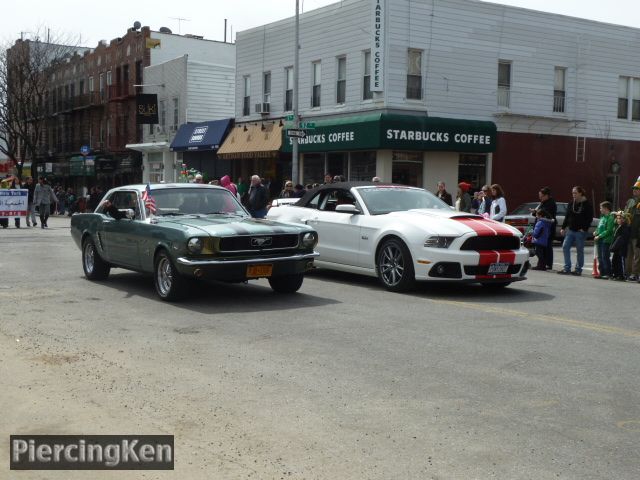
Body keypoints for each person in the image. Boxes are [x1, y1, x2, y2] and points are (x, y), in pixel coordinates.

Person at [558, 186, 594, 276]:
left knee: (579, 250)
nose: (573, 195)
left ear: (580, 193)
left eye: (575, 193)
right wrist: (563, 228)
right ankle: (567, 268)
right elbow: (567, 216)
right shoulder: (571, 204)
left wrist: (584, 228)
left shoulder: (587, 205)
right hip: (570, 230)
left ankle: (578, 269)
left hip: (580, 231)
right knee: (565, 246)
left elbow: (589, 218)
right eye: (572, 193)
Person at [532, 186, 557, 270]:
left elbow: (546, 215)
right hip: (541, 227)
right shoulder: (542, 203)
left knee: (547, 246)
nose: (540, 198)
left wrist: (537, 212)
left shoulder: (551, 203)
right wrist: (534, 212)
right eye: (539, 196)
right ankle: (542, 263)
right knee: (540, 247)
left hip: (547, 229)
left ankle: (548, 264)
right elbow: (538, 214)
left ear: (546, 195)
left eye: (541, 196)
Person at [623, 177, 640, 282]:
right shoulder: (629, 201)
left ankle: (635, 274)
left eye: (637, 189)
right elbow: (625, 213)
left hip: (637, 233)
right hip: (628, 232)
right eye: (633, 189)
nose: (634, 190)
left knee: (637, 255)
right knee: (628, 254)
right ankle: (627, 273)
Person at [593, 201, 615, 279]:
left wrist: (599, 236)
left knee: (605, 256)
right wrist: (596, 232)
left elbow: (609, 230)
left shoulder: (610, 218)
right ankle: (602, 273)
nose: (600, 209)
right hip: (600, 240)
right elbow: (599, 227)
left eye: (601, 208)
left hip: (606, 240)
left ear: (606, 208)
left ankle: (608, 273)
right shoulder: (602, 217)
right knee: (600, 257)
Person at [610, 211, 631, 280]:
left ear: (624, 219)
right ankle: (615, 274)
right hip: (616, 248)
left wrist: (614, 246)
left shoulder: (625, 227)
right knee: (614, 260)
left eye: (620, 218)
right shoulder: (618, 226)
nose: (618, 219)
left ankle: (621, 275)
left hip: (621, 248)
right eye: (617, 218)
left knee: (620, 262)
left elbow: (621, 239)